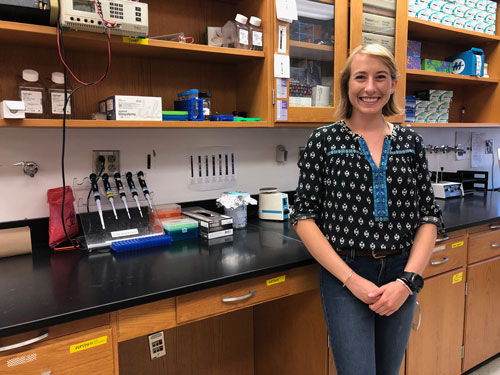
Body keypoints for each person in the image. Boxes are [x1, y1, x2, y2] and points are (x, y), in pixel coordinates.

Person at [290, 44, 444, 375]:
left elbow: (429, 217)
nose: (370, 87)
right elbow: (303, 217)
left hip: (401, 273)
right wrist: (352, 281)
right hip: (345, 273)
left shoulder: (410, 143)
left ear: (393, 84)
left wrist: (408, 281)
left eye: (380, 77)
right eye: (361, 77)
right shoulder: (324, 141)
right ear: (347, 84)